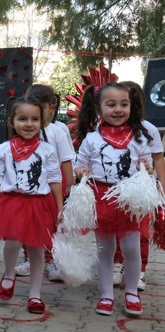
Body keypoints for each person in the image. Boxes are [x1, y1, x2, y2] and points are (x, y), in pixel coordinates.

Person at [74, 82, 155, 316]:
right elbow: (80, 164)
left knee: (131, 248)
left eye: (124, 104)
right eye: (111, 105)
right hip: (102, 198)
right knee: (105, 249)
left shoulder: (138, 137)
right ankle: (106, 295)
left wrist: (146, 169)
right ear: (99, 109)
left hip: (129, 199)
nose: (118, 109)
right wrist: (81, 172)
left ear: (132, 106)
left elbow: (148, 167)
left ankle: (131, 292)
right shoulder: (92, 138)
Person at [0, 96, 63, 314]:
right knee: (13, 242)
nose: (29, 124)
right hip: (13, 203)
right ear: (11, 121)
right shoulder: (4, 148)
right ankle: (9, 273)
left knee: (37, 249)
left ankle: (35, 293)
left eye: (35, 119)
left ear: (42, 122)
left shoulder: (47, 150)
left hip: (39, 204)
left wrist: (60, 206)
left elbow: (54, 179)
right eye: (22, 119)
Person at [16, 84, 76, 281]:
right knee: (27, 222)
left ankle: (50, 260)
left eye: (40, 111)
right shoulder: (22, 130)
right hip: (28, 184)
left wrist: (69, 185)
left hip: (52, 184)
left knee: (51, 223)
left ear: (51, 108)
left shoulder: (57, 131)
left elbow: (66, 158)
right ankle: (29, 258)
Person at [111, 81, 165, 291]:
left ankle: (139, 271)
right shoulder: (107, 129)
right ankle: (117, 265)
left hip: (141, 191)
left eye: (129, 103)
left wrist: (161, 185)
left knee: (140, 232)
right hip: (114, 190)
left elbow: (158, 159)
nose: (122, 109)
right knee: (116, 230)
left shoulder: (148, 129)